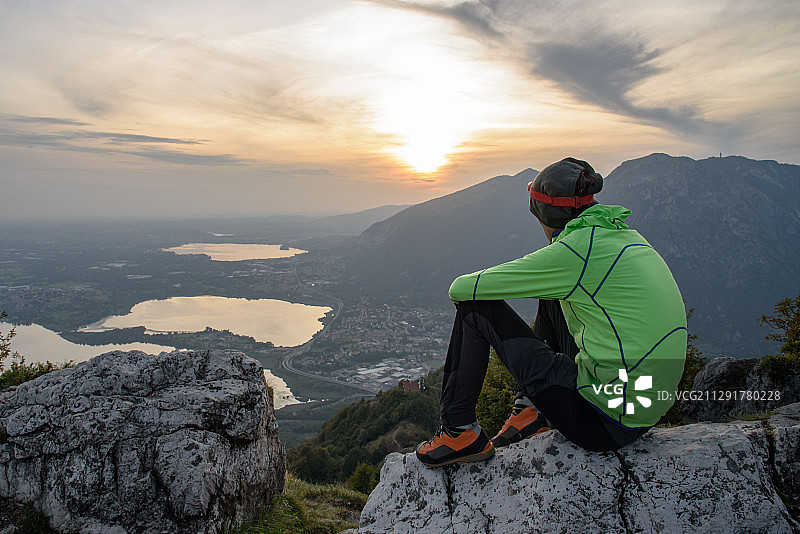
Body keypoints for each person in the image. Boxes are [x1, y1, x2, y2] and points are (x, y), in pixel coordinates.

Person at [416, 157, 687, 468]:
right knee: (555, 292)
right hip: (643, 410)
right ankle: (530, 411)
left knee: (474, 308)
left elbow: (461, 288)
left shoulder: (575, 252)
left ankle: (458, 430)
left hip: (602, 422)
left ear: (544, 213)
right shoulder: (625, 236)